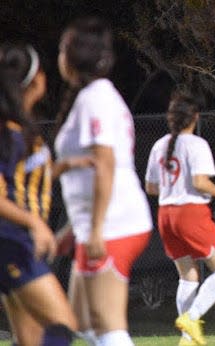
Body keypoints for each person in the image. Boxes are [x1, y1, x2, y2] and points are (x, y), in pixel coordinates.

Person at [54, 17, 153, 346]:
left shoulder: (95, 98)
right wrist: (74, 230)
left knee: (107, 324)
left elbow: (105, 164)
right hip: (98, 222)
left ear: (72, 55)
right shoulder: (92, 97)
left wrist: (95, 229)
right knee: (81, 319)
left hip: (113, 222)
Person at [0, 43, 78, 345]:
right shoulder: (7, 132)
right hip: (11, 240)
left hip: (18, 241)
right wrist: (35, 224)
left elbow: (21, 181)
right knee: (60, 326)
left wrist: (64, 167)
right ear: (34, 81)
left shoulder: (20, 129)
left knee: (31, 340)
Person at [145, 91, 215, 346]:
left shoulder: (158, 145)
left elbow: (151, 187)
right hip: (190, 213)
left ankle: (187, 339)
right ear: (195, 117)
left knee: (188, 276)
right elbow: (200, 182)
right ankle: (192, 318)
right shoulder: (197, 144)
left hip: (165, 215)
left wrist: (173, 190)